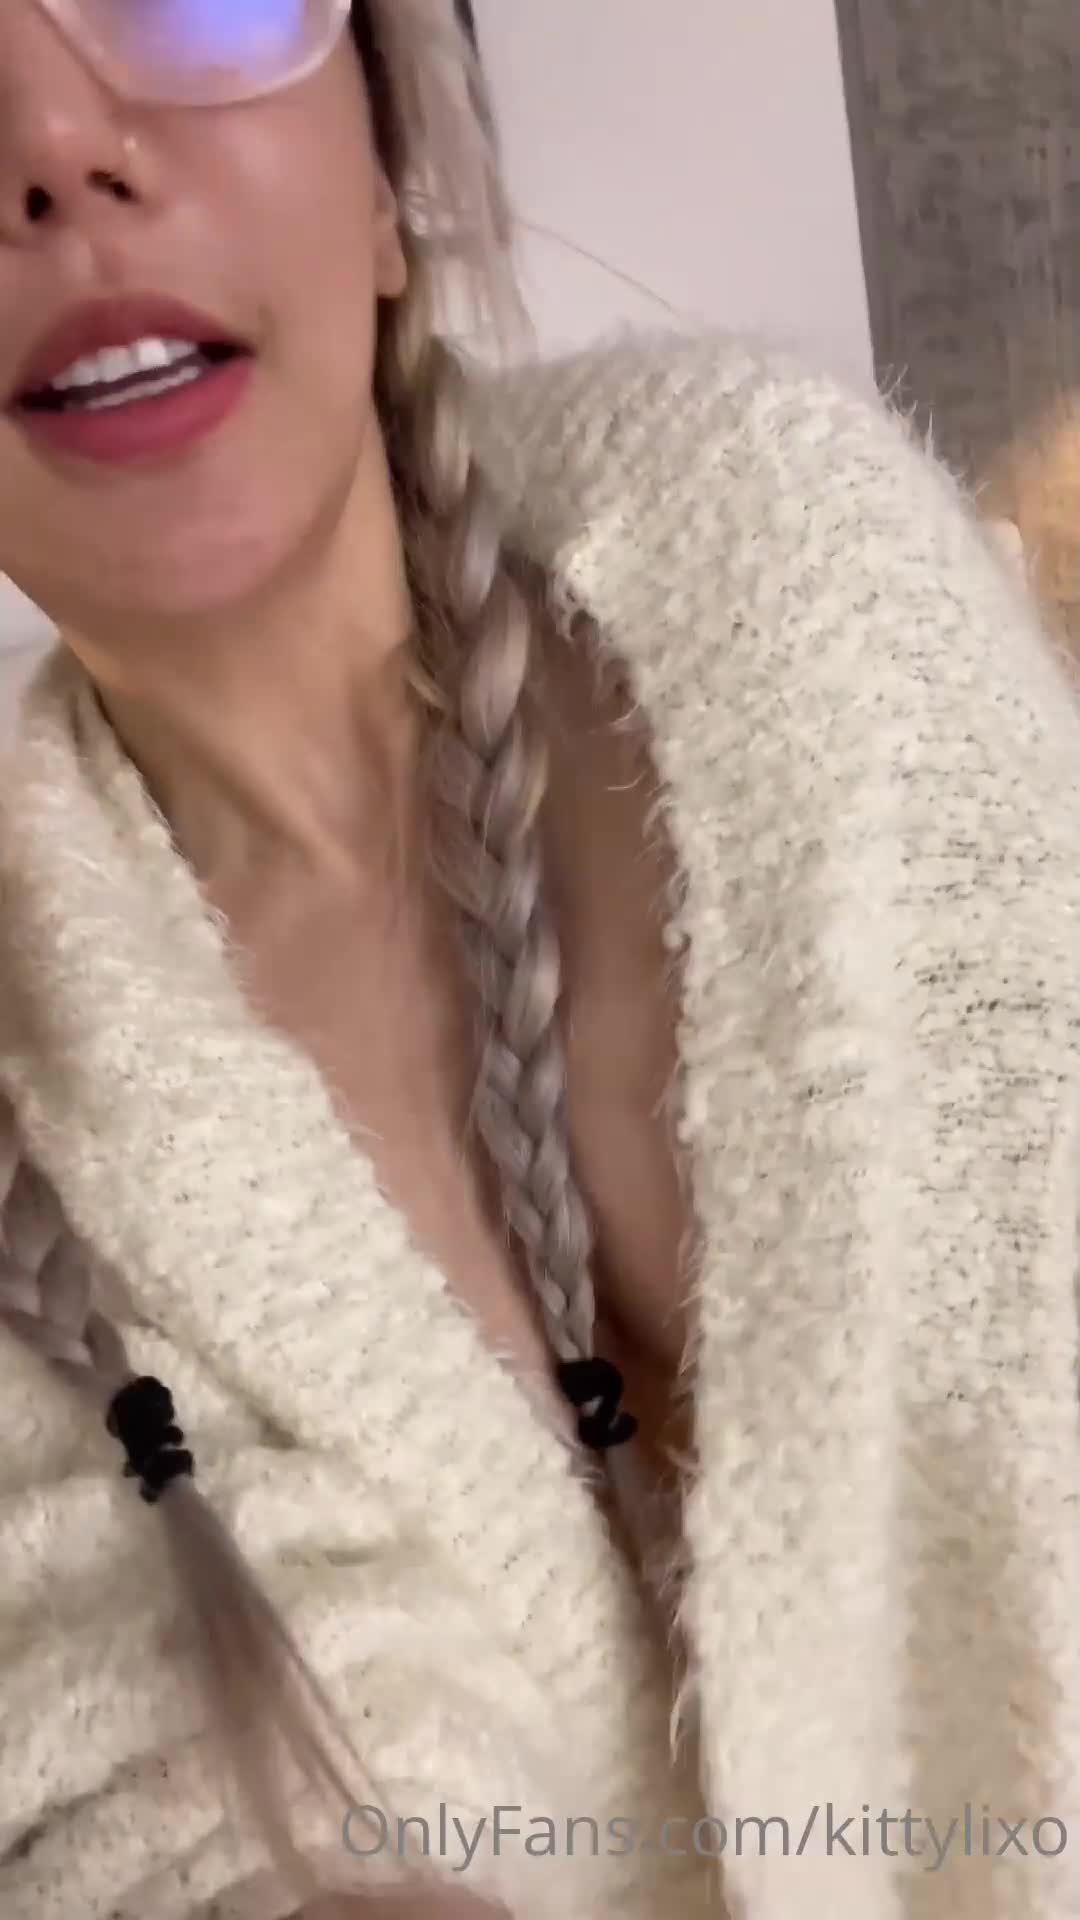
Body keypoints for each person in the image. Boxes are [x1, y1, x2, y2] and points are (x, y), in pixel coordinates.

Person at [1, 4, 1080, 1918]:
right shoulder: (41, 1098)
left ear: (389, 169)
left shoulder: (792, 574)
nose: (52, 153)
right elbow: (154, 1788)